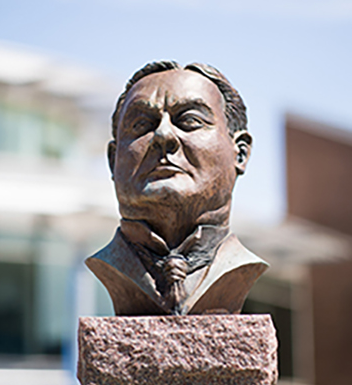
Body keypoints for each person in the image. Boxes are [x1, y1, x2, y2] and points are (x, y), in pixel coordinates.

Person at [86, 61, 268, 315]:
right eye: (142, 125)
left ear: (240, 153)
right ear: (113, 160)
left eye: (190, 121)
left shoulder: (240, 267)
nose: (164, 135)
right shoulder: (109, 266)